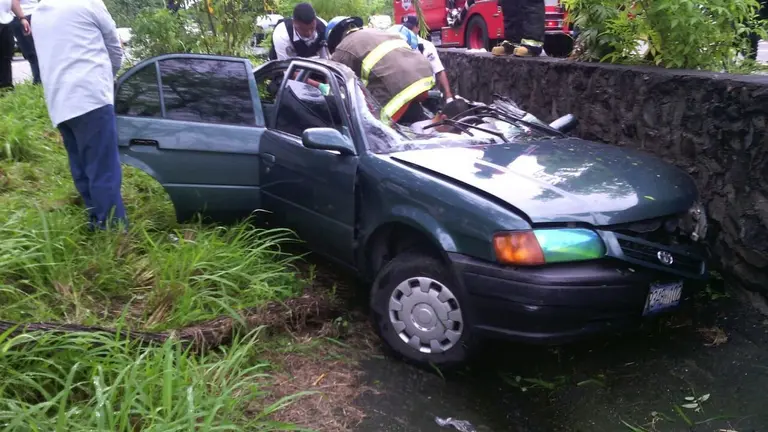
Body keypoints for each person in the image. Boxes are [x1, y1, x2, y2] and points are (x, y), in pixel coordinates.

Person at [33, 0, 127, 230]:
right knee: (103, 169)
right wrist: (109, 79)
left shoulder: (39, 12)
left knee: (81, 167)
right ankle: (114, 232)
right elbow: (115, 49)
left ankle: (95, 221)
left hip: (59, 101)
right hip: (90, 97)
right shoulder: (89, 3)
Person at [326, 16, 435, 123]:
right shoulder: (375, 32)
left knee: (378, 132)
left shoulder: (342, 49)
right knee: (414, 119)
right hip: (423, 76)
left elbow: (335, 87)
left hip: (397, 87)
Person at [394, 15, 454, 102]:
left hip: (426, 93)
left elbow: (439, 70)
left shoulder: (426, 46)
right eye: (405, 28)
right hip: (406, 95)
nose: (407, 31)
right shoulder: (397, 46)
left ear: (418, 28)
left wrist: (448, 95)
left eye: (410, 28)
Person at [0, 0, 29, 90]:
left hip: (5, 21)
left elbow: (12, 2)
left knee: (6, 56)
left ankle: (6, 87)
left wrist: (22, 18)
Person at [10, 0, 38, 84]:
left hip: (31, 15)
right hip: (24, 16)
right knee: (32, 53)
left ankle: (39, 80)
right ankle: (38, 80)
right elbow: (14, 2)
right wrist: (22, 18)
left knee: (34, 53)